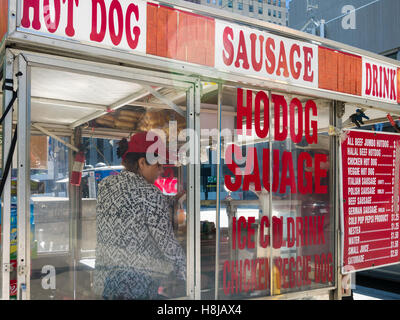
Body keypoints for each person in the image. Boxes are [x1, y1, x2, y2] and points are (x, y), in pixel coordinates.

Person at [93, 131, 186, 300]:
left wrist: (172, 201)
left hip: (106, 282)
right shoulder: (149, 193)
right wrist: (190, 273)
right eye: (158, 164)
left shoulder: (105, 185)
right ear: (142, 162)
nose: (162, 170)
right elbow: (167, 244)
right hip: (135, 288)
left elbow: (132, 208)